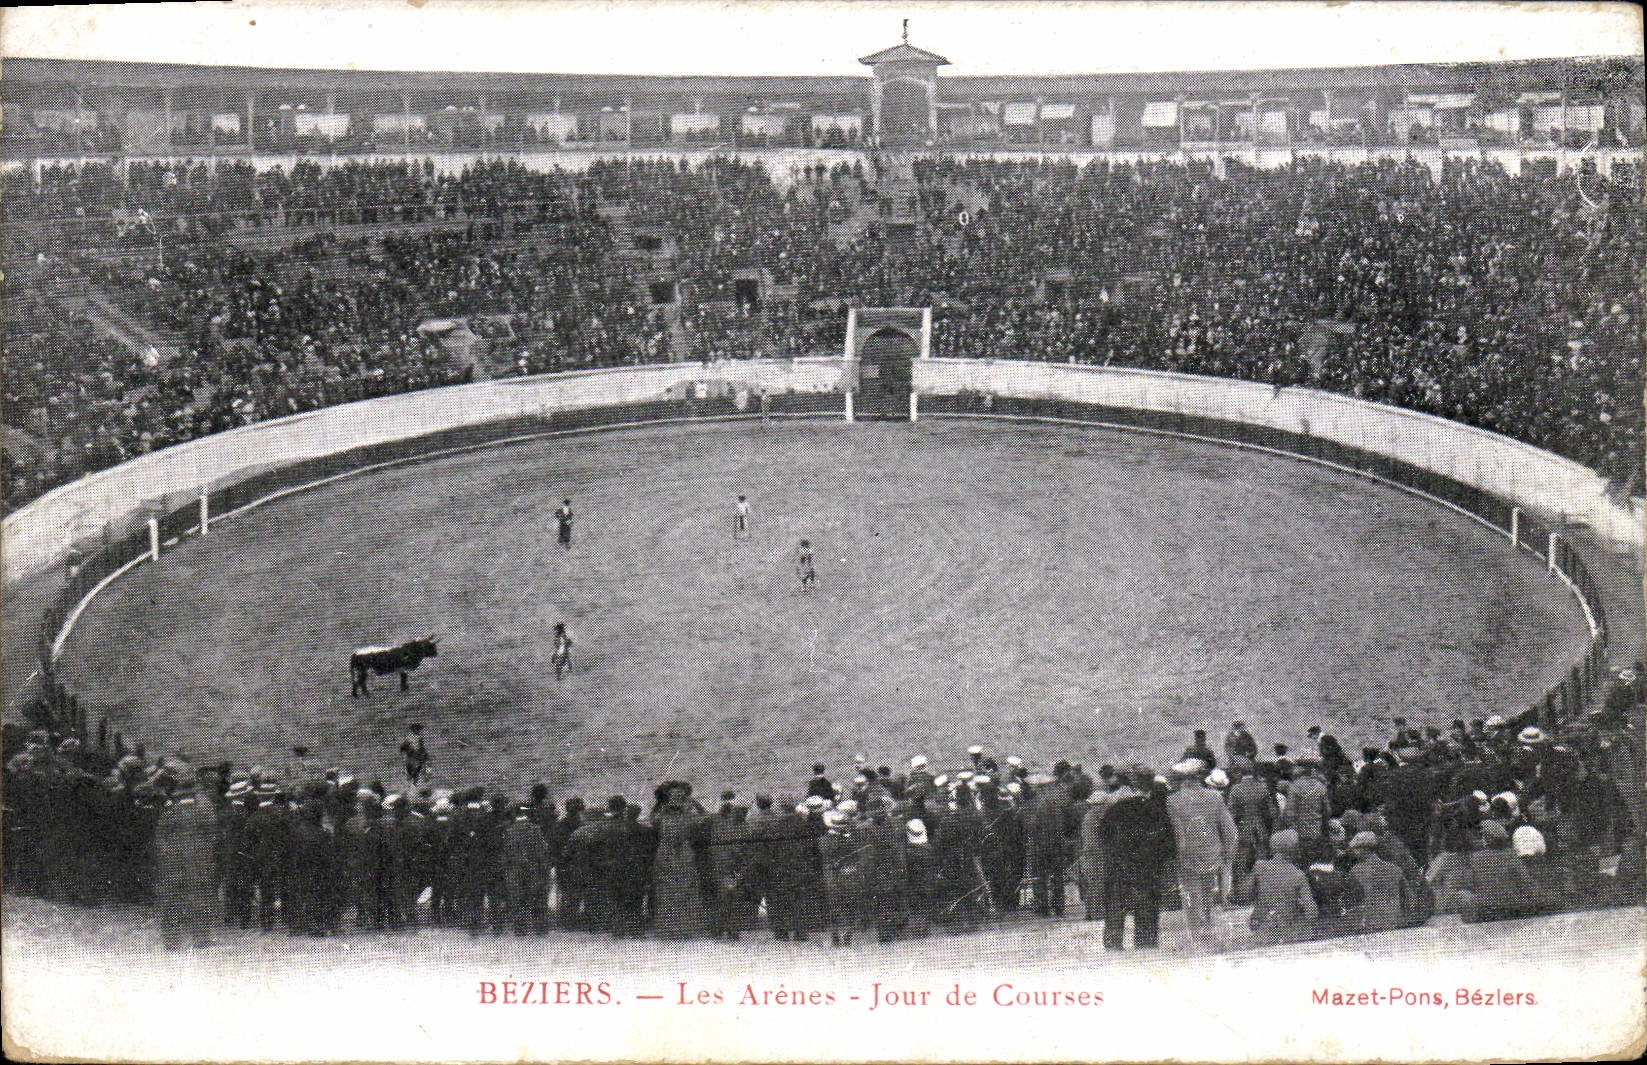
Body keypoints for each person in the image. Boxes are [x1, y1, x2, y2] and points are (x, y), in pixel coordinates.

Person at [1098, 765, 1175, 951]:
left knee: (1116, 906)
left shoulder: (1117, 808)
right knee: (1147, 909)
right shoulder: (1158, 810)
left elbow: (1103, 835)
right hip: (1147, 866)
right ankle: (1146, 943)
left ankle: (1113, 943)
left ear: (1133, 783)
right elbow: (1168, 842)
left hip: (1119, 864)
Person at [1166, 758, 1238, 947]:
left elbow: (1178, 836)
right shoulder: (1215, 797)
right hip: (1213, 854)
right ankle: (1208, 929)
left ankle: (1197, 937)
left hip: (1188, 856)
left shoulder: (1173, 801)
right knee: (1207, 895)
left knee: (1191, 896)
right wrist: (1228, 857)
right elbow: (1230, 831)